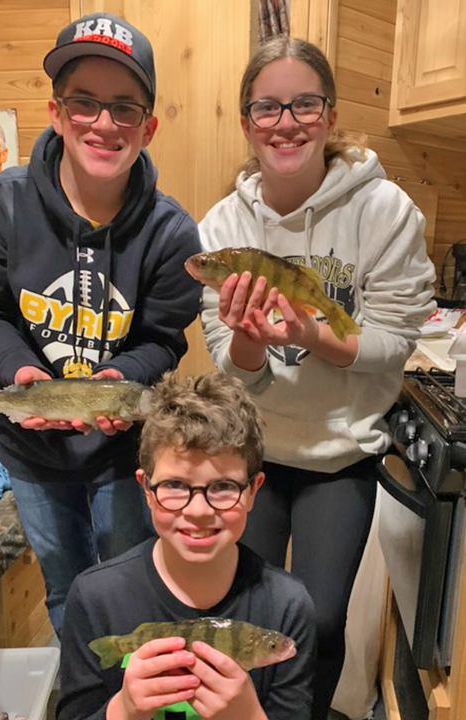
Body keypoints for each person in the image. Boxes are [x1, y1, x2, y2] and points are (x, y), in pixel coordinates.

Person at [196, 36, 436, 720]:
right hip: (253, 448)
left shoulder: (383, 211)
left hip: (341, 450)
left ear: (329, 116)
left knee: (321, 618)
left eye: (305, 103)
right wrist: (247, 339)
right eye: (267, 107)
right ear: (246, 122)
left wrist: (308, 334)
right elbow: (232, 365)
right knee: (251, 617)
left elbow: (393, 342)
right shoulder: (221, 227)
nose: (286, 121)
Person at [0, 12, 201, 639]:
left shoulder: (172, 233)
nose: (103, 123)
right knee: (67, 586)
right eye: (85, 103)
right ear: (56, 111)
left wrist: (121, 377)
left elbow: (164, 336)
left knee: (129, 580)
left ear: (148, 127)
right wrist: (19, 376)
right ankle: (84, 694)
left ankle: (133, 688)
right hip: (30, 452)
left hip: (122, 451)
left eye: (124, 108)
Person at [57, 371, 316, 720]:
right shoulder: (93, 597)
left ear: (253, 491)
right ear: (147, 490)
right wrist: (124, 710)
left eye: (224, 486)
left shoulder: (288, 605)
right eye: (175, 485)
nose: (198, 511)